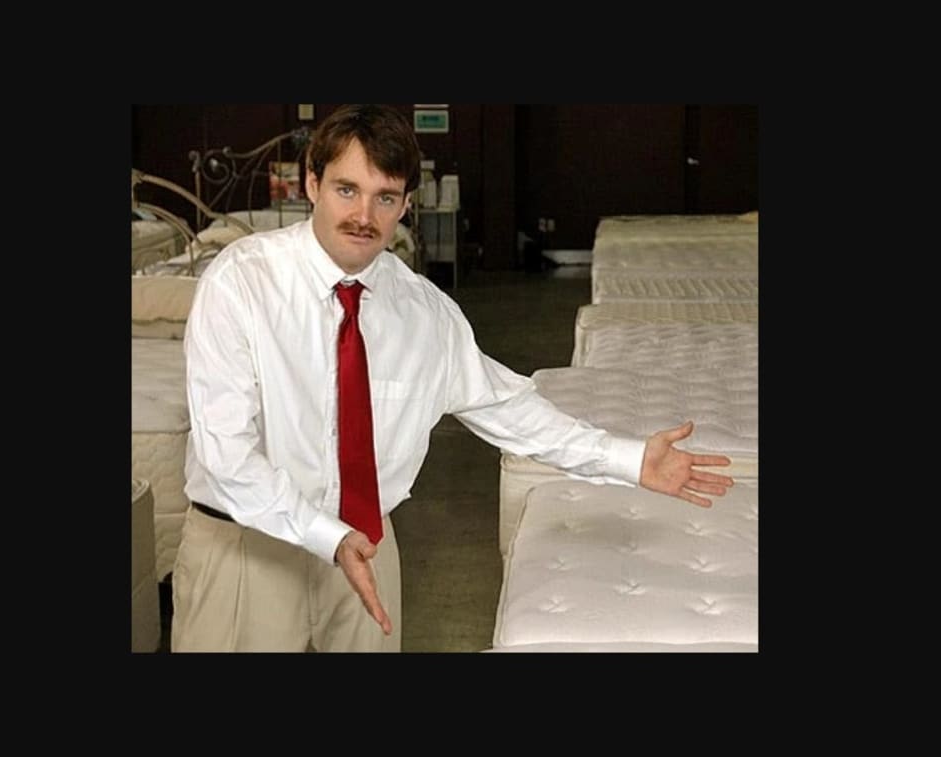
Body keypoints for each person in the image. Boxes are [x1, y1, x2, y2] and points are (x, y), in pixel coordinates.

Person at [172, 104, 734, 653]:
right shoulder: (241, 283)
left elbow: (507, 408)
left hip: (365, 545)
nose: (364, 215)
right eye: (347, 189)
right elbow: (227, 454)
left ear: (405, 205)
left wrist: (627, 459)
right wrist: (327, 536)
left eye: (384, 197)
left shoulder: (422, 311)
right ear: (312, 184)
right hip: (247, 547)